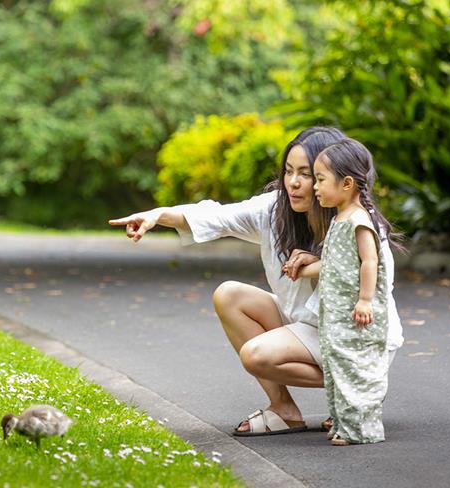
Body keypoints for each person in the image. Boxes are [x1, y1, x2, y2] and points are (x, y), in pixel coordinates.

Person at [109, 126, 403, 436]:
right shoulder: (275, 209)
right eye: (289, 171)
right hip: (307, 326)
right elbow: (217, 216)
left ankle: (358, 389)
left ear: (337, 179)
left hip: (354, 335)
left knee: (256, 355)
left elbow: (371, 284)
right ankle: (284, 410)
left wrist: (316, 264)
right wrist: (158, 215)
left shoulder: (358, 222)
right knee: (229, 295)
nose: (294, 182)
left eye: (308, 174)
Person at [313, 138, 398, 445]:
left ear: (347, 183)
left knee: (355, 368)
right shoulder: (339, 218)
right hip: (338, 314)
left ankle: (361, 429)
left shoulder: (359, 220)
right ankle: (343, 424)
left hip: (355, 314)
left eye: (320, 180)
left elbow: (369, 261)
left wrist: (365, 300)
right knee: (338, 366)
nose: (315, 187)